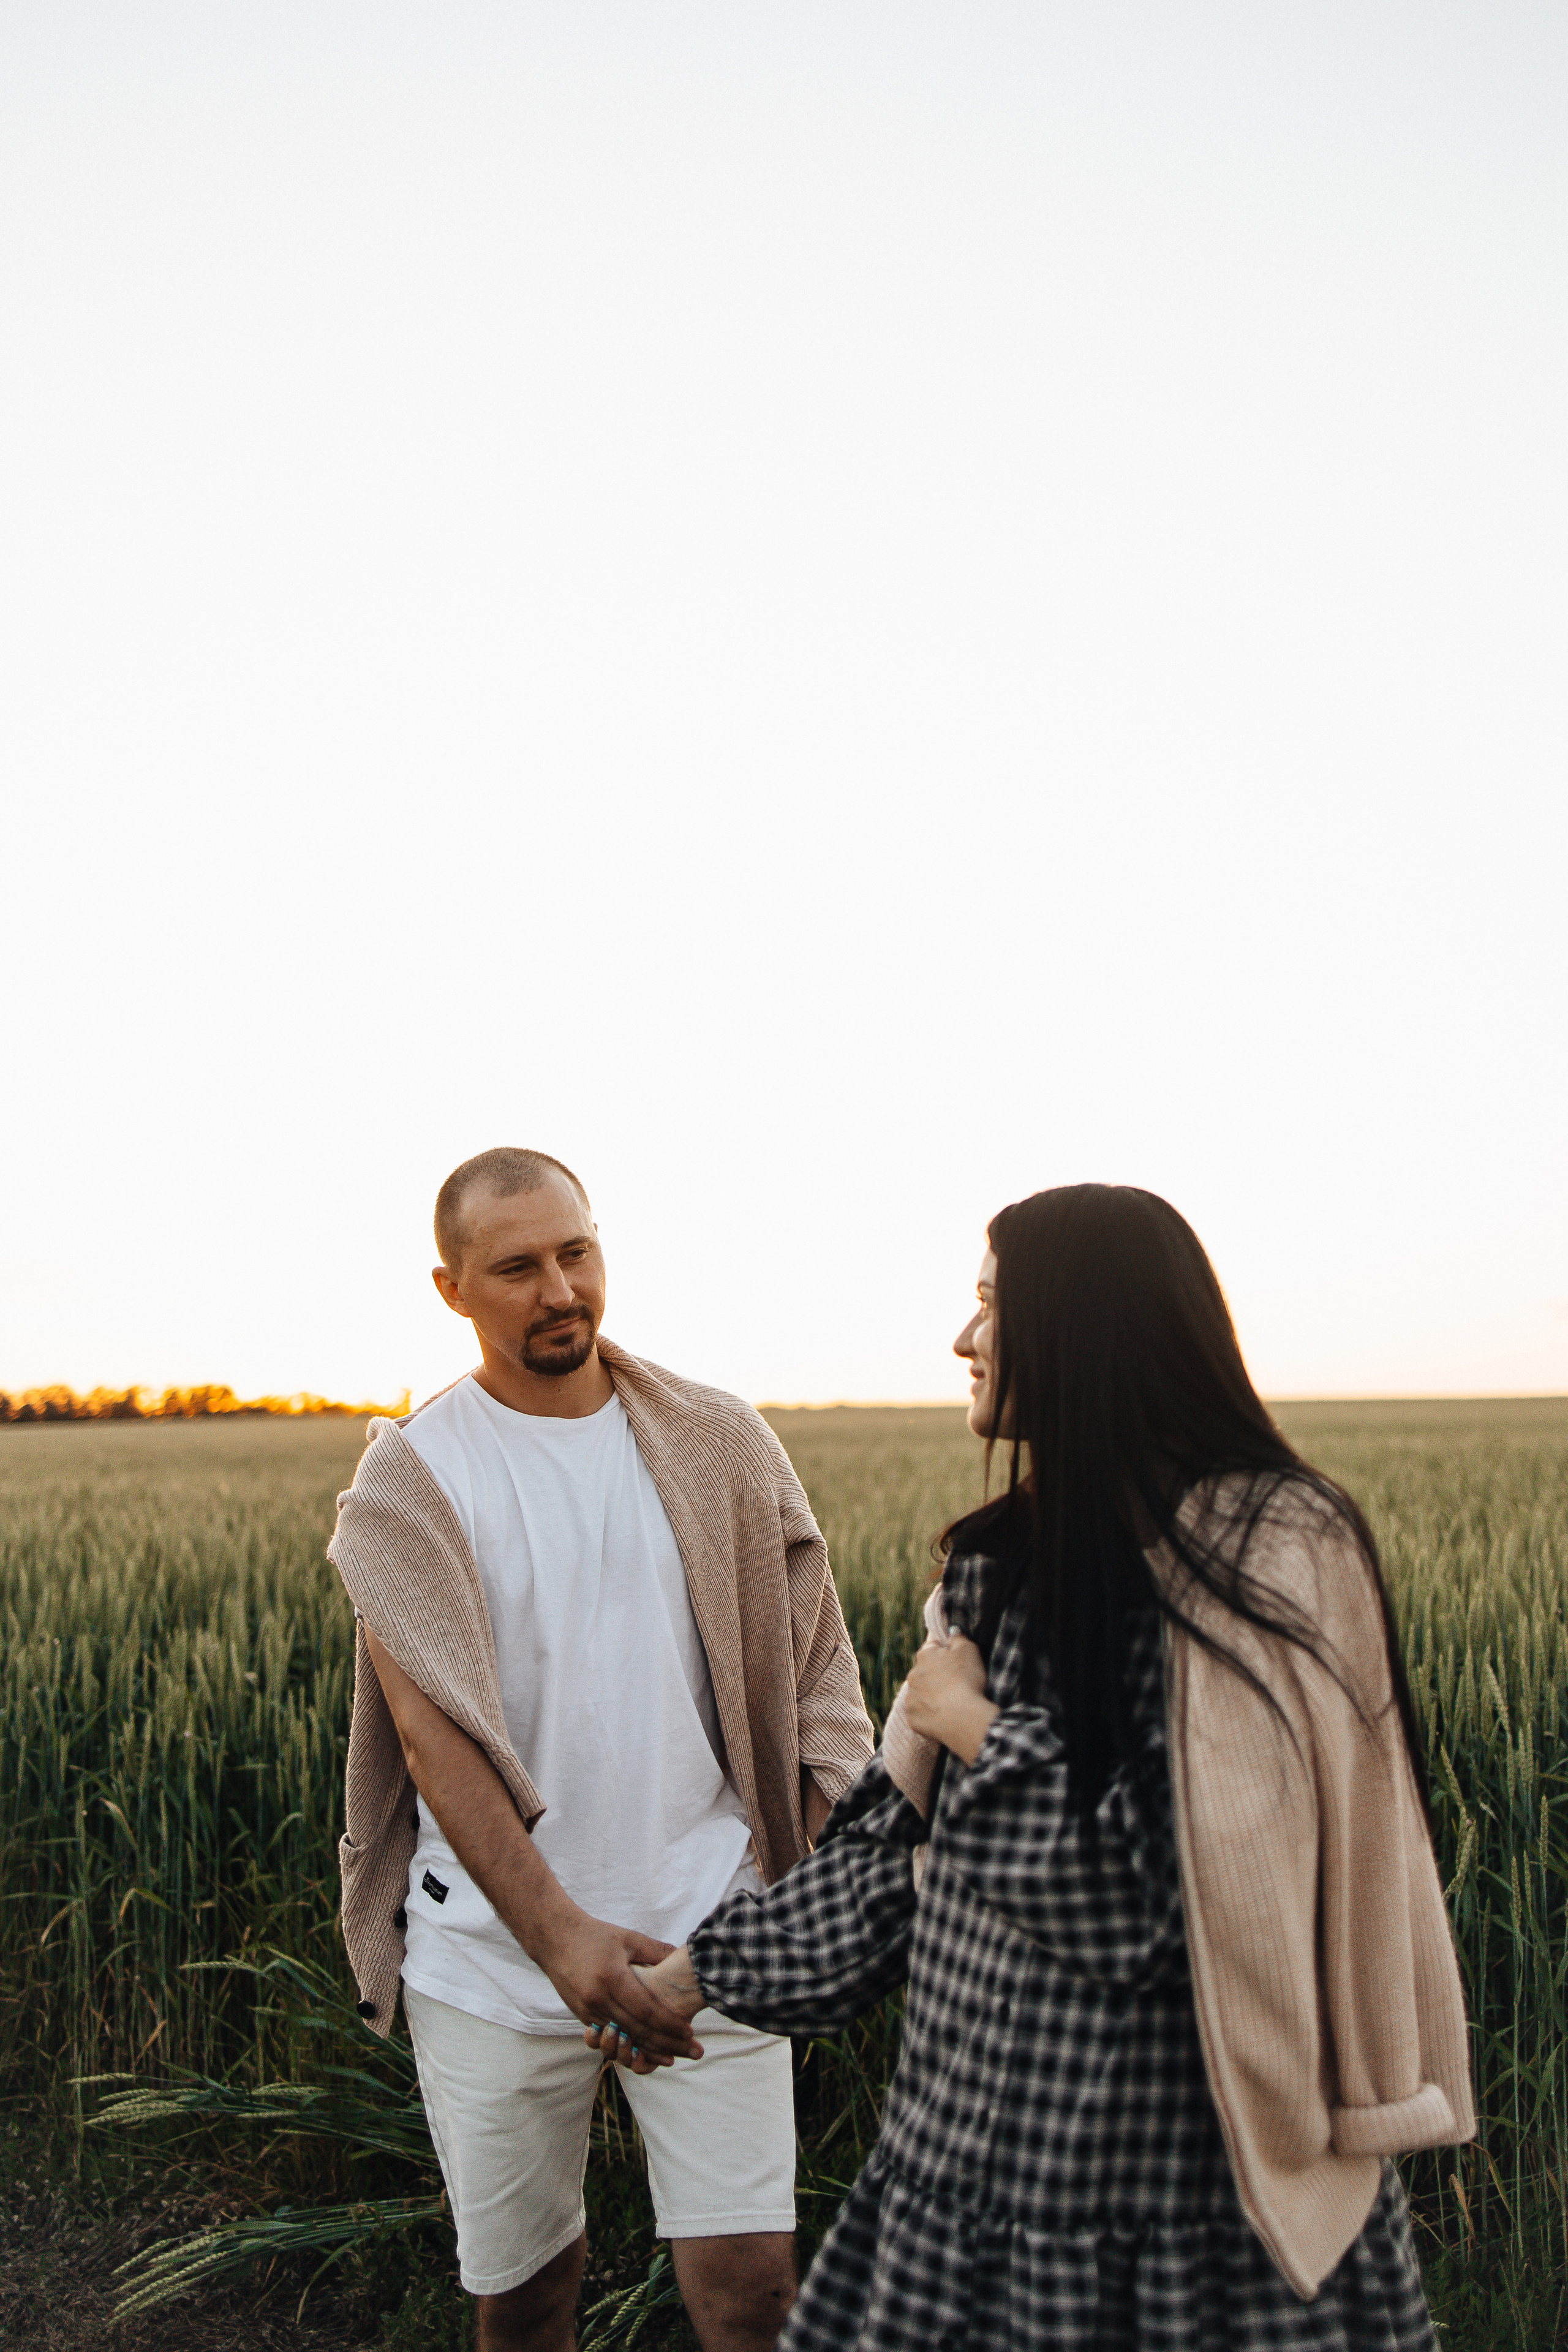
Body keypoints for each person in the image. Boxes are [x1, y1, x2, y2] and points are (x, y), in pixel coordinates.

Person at [615, 1183, 1475, 2351]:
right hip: (970, 2183)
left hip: (1178, 2212)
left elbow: (1152, 1899)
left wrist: (975, 1729)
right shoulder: (1006, 1567)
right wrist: (692, 1979)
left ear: (1085, 1327)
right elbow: (895, 1862)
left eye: (989, 1306)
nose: (964, 1339)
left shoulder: (1273, 1552)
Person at [328, 1147, 874, 2352]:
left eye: (576, 1252)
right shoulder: (411, 1481)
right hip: (490, 1961)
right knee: (525, 2298)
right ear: (451, 1289)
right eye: (515, 1268)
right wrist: (559, 1935)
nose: (559, 1289)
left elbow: (817, 1674)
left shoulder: (719, 1443)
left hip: (711, 1930)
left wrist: (822, 1879)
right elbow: (434, 1742)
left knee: (753, 2294)